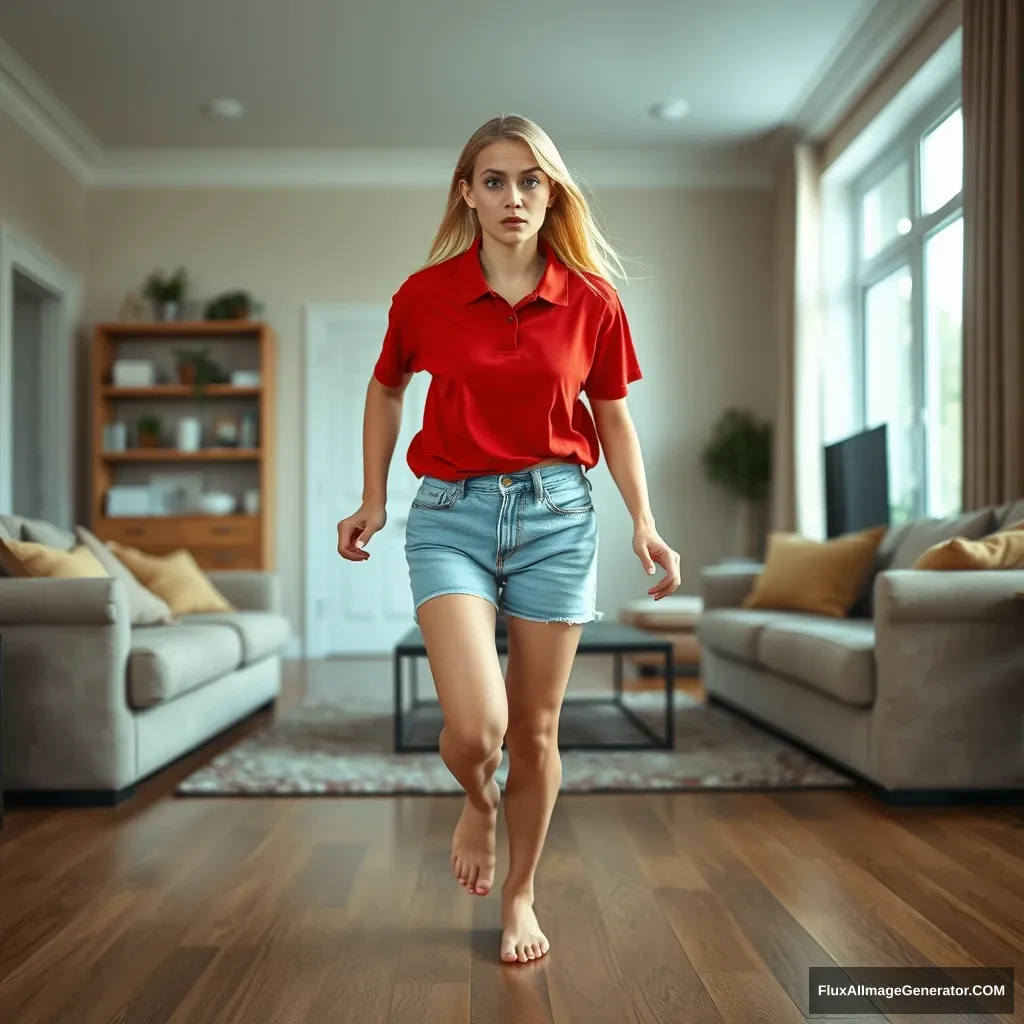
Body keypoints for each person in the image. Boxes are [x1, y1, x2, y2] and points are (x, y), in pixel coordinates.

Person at [337, 113, 681, 964]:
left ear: (551, 192)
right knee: (477, 730)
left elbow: (614, 418)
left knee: (534, 731)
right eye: (495, 180)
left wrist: (643, 518)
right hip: (448, 514)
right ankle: (477, 799)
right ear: (469, 194)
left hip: (558, 517)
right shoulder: (425, 295)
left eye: (531, 181)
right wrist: (373, 497)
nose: (514, 196)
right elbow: (385, 392)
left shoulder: (594, 301)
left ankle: (520, 895)